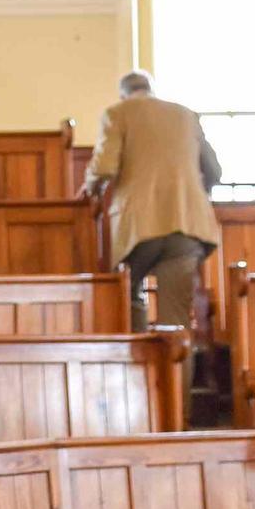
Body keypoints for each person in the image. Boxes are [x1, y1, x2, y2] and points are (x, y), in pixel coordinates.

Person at [85, 72, 222, 332]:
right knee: (176, 321)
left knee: (128, 300)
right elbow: (214, 170)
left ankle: (139, 367)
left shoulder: (118, 112)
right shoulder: (185, 115)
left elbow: (105, 167)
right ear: (151, 89)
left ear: (124, 93)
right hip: (186, 223)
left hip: (137, 226)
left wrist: (90, 186)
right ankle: (176, 372)